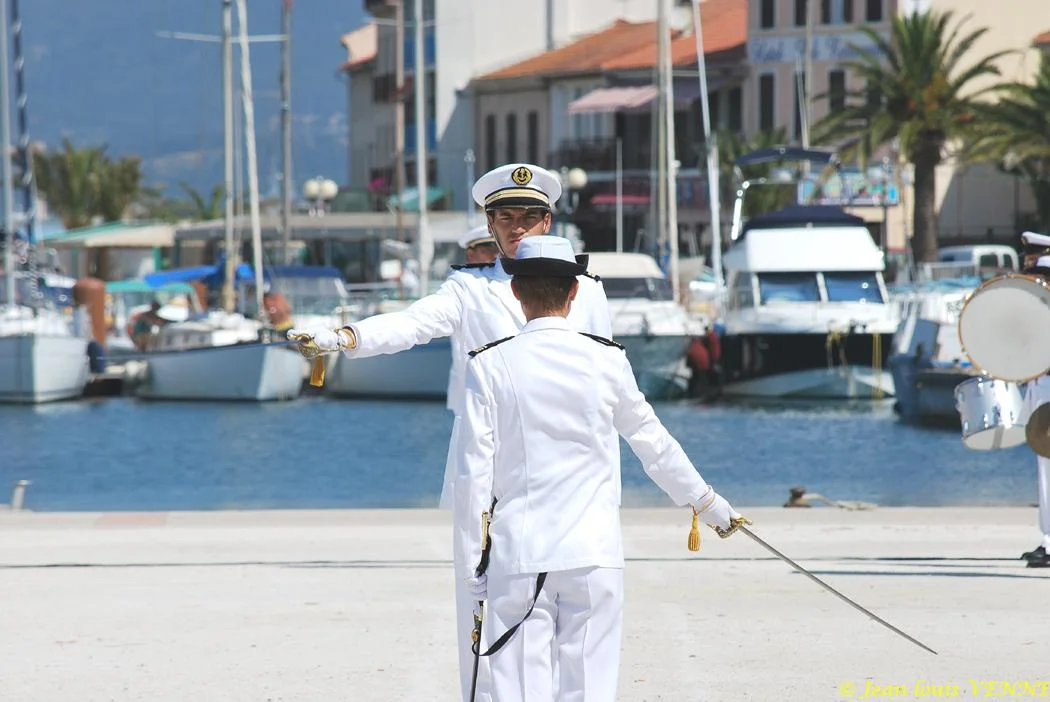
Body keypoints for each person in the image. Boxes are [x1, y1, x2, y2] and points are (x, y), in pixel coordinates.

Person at [286, 163, 612, 702]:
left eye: (529, 216)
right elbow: (412, 323)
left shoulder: (588, 292)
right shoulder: (470, 287)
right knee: (485, 619)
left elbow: (601, 379)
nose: (516, 227)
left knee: (580, 629)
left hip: (571, 471)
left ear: (548, 221)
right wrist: (343, 336)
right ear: (489, 223)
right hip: (494, 471)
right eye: (503, 216)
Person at [455, 235, 742, 702]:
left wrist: (473, 567)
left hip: (521, 553)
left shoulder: (489, 364)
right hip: (594, 552)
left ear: (515, 293)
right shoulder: (608, 358)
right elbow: (654, 445)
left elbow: (473, 475)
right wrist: (709, 506)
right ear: (574, 293)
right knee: (590, 691)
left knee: (520, 693)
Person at [447, 225, 501, 413]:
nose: (494, 255)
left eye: (497, 249)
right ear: (471, 254)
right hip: (469, 389)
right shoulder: (460, 285)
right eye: (487, 250)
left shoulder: (513, 282)